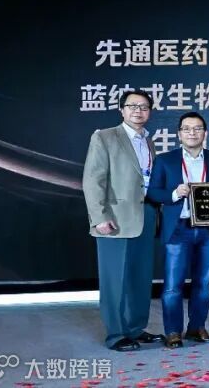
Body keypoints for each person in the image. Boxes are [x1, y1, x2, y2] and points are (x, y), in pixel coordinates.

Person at [81, 90, 165, 351]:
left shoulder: (148, 141)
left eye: (144, 107)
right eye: (132, 106)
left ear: (150, 111)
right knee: (114, 280)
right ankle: (116, 334)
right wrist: (99, 217)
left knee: (140, 277)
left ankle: (135, 328)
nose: (138, 111)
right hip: (115, 218)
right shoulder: (105, 136)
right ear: (122, 109)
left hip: (146, 215)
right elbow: (93, 180)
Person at [147, 112, 209, 348]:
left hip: (207, 229)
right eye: (187, 129)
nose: (192, 132)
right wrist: (174, 193)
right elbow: (153, 192)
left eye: (197, 128)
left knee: (203, 284)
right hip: (178, 228)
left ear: (205, 133)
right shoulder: (165, 160)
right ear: (179, 134)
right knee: (173, 285)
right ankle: (173, 331)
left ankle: (197, 327)